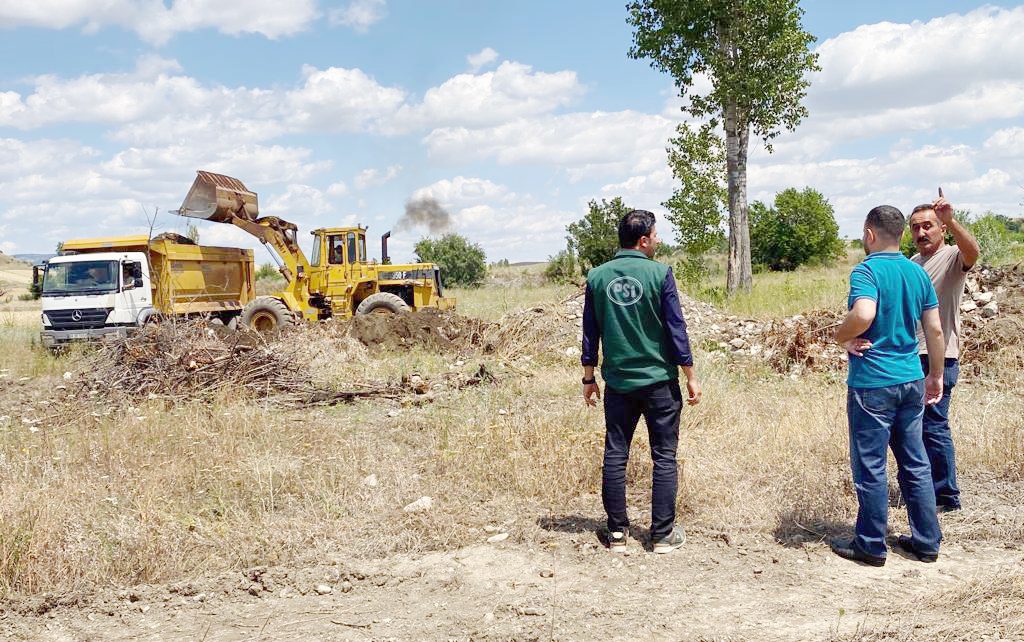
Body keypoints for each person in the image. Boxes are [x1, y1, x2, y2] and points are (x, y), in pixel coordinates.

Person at [580, 209, 702, 555]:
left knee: (615, 454)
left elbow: (590, 332)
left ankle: (617, 533)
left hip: (619, 384)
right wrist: (690, 375)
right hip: (660, 383)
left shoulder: (597, 277)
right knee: (664, 456)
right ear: (644, 240)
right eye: (657, 235)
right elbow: (676, 328)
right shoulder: (660, 273)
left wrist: (589, 376)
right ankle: (662, 535)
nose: (659, 241)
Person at [832, 205, 946, 566]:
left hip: (872, 384)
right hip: (911, 378)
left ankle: (870, 545)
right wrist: (936, 376)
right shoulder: (917, 273)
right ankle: (927, 542)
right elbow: (936, 330)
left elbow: (864, 313)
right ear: (901, 233)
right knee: (915, 463)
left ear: (869, 234)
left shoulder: (866, 271)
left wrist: (841, 336)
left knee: (871, 466)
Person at [909, 194, 980, 513]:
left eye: (928, 226)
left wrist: (952, 219)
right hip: (911, 355)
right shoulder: (912, 263)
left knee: (934, 426)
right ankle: (923, 490)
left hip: (941, 356)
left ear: (941, 229)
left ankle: (946, 498)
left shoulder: (953, 256)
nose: (922, 233)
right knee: (913, 426)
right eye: (915, 228)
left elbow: (973, 252)